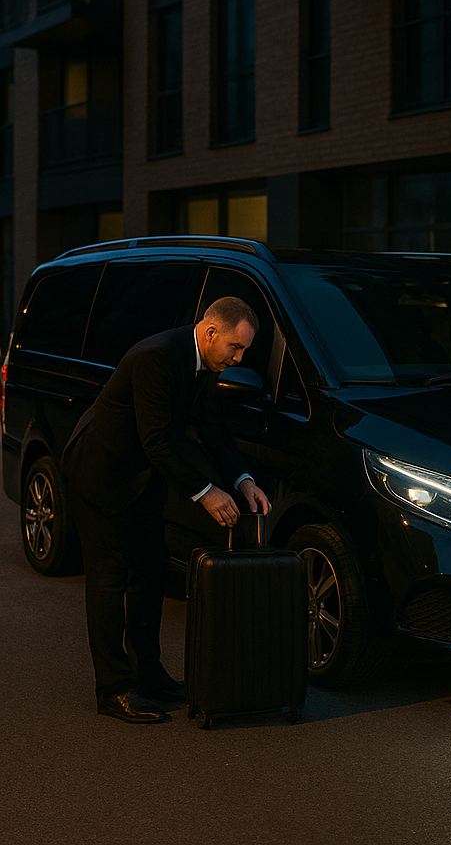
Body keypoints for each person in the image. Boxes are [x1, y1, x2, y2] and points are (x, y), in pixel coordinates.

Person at [64, 297, 271, 724]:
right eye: (235, 347)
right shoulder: (156, 357)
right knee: (108, 582)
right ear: (210, 332)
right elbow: (158, 438)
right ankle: (115, 690)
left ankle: (148, 674)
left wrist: (241, 480)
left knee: (150, 572)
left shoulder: (205, 364)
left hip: (145, 478)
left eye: (245, 350)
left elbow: (212, 430)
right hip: (102, 472)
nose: (239, 358)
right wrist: (206, 492)